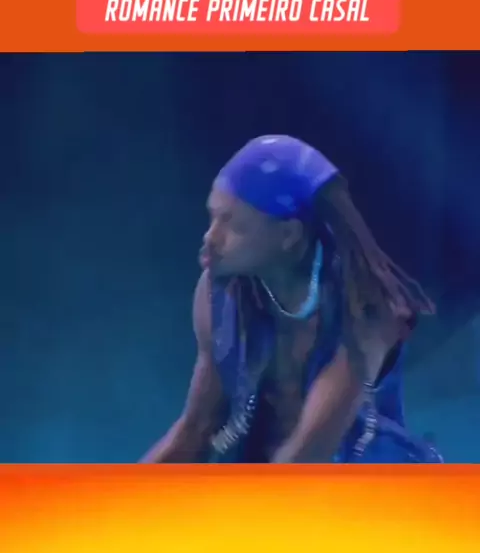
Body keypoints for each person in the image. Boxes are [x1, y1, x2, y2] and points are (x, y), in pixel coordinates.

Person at [141, 135, 443, 463]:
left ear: (288, 235)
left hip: (362, 477)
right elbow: (198, 429)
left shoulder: (365, 306)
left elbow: (310, 452)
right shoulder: (222, 294)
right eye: (212, 217)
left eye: (235, 225)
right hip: (270, 473)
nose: (210, 238)